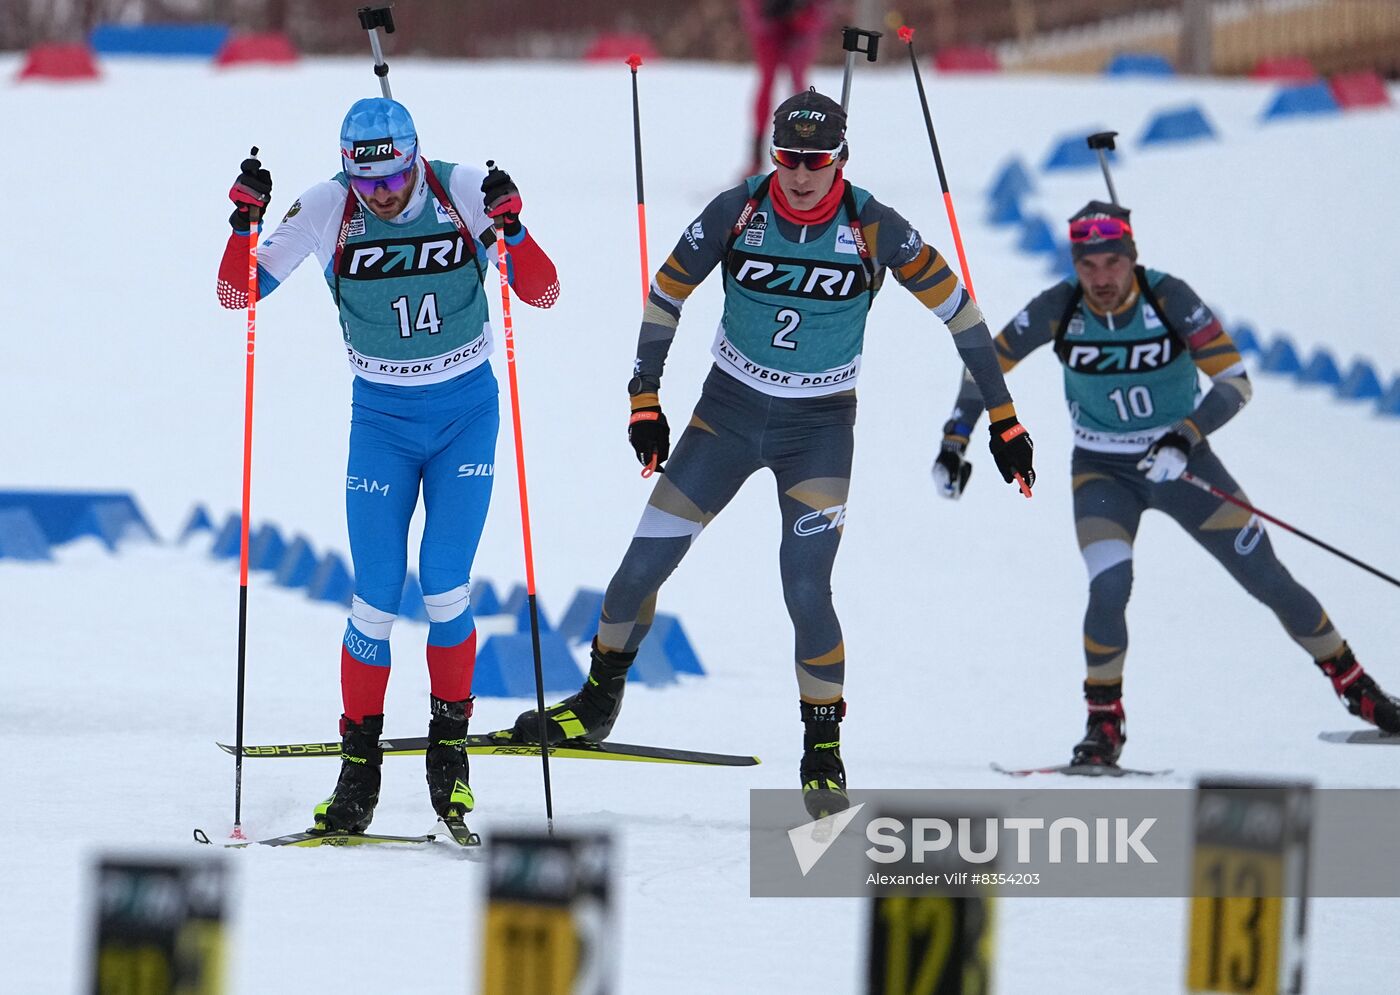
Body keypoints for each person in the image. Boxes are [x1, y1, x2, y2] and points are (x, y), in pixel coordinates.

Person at [508, 88, 1036, 819]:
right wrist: (644, 397)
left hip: (816, 429)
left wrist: (1004, 422)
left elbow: (964, 316)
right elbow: (667, 291)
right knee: (635, 574)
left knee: (806, 589)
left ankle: (822, 751)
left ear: (841, 160)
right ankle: (599, 700)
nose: (799, 174)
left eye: (816, 161)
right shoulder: (741, 209)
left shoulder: (873, 225)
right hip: (725, 417)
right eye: (787, 156)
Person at [933, 200, 1400, 767]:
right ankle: (1103, 726)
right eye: (1089, 266)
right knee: (1109, 585)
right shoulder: (1060, 306)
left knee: (1269, 579)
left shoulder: (1168, 297)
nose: (1101, 278)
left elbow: (1235, 381)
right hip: (1102, 473)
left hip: (1186, 468)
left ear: (1132, 258)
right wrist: (956, 437)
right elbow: (986, 358)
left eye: (1112, 263)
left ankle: (1361, 692)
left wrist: (1184, 437)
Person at [215, 97, 560, 832]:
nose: (381, 195)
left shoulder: (461, 188)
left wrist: (513, 226)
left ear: (413, 159)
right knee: (373, 596)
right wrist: (243, 225)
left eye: (394, 179)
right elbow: (234, 292)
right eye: (367, 183)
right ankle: (358, 770)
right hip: (380, 420)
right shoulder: (326, 206)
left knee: (443, 584)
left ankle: (449, 756)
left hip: (465, 414)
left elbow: (545, 290)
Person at [739, 0, 833, 176]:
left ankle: (806, 150)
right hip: (768, 16)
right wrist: (767, 13)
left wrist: (801, 14)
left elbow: (820, 10)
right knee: (767, 80)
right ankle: (756, 158)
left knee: (798, 85)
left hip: (805, 16)